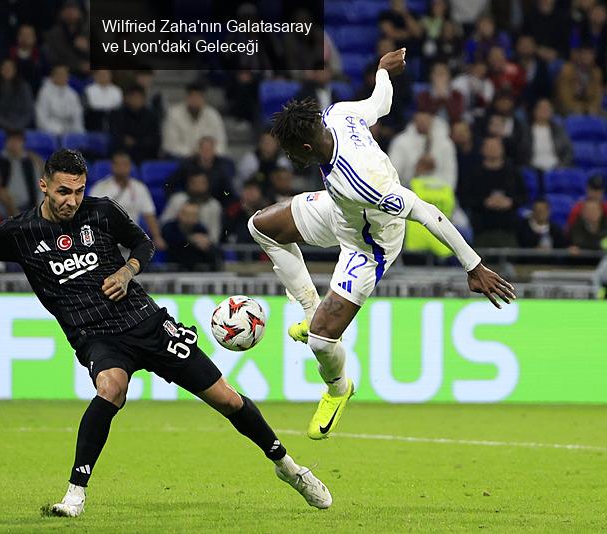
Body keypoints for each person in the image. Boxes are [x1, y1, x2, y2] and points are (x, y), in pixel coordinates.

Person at [0, 149, 333, 518]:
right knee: (111, 387)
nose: (72, 200)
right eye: (64, 191)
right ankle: (75, 493)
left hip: (145, 321)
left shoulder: (101, 212)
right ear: (45, 186)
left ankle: (289, 467)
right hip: (94, 334)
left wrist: (127, 270)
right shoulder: (19, 232)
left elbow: (145, 244)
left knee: (227, 399)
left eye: (79, 190)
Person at [247, 49, 514, 441]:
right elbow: (379, 104)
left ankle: (338, 389)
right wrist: (383, 72)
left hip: (369, 246)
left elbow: (425, 212)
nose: (289, 160)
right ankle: (310, 308)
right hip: (339, 213)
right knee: (261, 226)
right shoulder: (337, 114)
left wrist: (473, 266)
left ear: (305, 149)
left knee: (322, 341)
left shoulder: (365, 182)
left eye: (291, 154)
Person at [88, 151, 166, 250]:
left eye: (125, 164)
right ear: (112, 166)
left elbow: (149, 215)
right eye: (118, 164)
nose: (121, 167)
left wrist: (157, 237)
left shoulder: (139, 188)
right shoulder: (100, 188)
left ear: (130, 166)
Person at [162, 82, 227, 158]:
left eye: (198, 97)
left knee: (227, 163)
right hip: (182, 157)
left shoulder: (213, 115)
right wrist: (193, 153)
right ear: (187, 97)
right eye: (192, 96)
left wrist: (207, 153)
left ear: (203, 98)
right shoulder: (174, 114)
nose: (195, 100)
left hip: (208, 158)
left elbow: (221, 142)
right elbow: (170, 145)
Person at [108, 83, 161, 164]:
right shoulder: (117, 115)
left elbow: (155, 139)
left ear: (144, 99)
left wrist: (136, 142)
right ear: (127, 98)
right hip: (124, 154)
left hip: (146, 154)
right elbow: (117, 136)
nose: (136, 100)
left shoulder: (152, 116)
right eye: (133, 97)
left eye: (139, 97)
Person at [162, 200, 219, 270]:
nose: (189, 218)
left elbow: (205, 248)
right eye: (186, 214)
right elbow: (173, 245)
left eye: (193, 215)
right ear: (179, 214)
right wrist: (190, 240)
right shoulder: (168, 227)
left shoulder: (201, 229)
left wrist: (206, 245)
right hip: (172, 266)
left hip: (196, 267)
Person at [0, 57, 34, 131]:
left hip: (21, 127)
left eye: (10, 68)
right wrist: (8, 126)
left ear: (15, 70)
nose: (7, 70)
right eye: (5, 67)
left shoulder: (24, 86)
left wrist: (18, 126)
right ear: (0, 70)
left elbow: (29, 111)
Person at [35, 64, 84, 135]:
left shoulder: (72, 94)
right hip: (50, 132)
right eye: (59, 74)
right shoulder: (44, 93)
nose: (62, 76)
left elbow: (78, 117)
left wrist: (78, 134)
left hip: (70, 132)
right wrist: (57, 131)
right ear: (53, 76)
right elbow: (41, 119)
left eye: (65, 74)